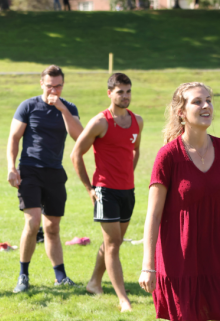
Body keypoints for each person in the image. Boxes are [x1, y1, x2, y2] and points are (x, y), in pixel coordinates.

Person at [139, 82, 220, 321]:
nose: (206, 106)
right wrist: (148, 266)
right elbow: (154, 215)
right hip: (180, 261)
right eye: (197, 101)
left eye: (209, 100)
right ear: (181, 112)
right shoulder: (168, 156)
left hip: (219, 257)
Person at [70, 73, 144, 312]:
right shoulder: (100, 122)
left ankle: (94, 283)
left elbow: (135, 151)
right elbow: (75, 154)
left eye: (128, 91)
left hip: (127, 191)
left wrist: (127, 176)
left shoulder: (137, 121)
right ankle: (123, 299)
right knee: (113, 244)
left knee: (115, 241)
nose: (125, 96)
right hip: (105, 191)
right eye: (120, 91)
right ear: (109, 93)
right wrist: (89, 188)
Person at [7, 65, 83, 293]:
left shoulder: (68, 107)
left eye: (58, 85)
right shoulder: (28, 106)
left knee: (53, 227)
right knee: (32, 223)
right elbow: (13, 138)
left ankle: (60, 277)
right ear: (42, 83)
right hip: (29, 170)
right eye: (50, 85)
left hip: (55, 172)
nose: (54, 89)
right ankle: (23, 276)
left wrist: (62, 109)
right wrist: (11, 167)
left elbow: (79, 136)